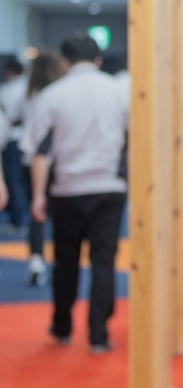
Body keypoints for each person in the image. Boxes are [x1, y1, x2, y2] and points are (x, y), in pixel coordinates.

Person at [21, 35, 128, 355]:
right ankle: (99, 334)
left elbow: (38, 151)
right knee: (104, 261)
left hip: (67, 190)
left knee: (65, 261)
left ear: (64, 62)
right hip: (110, 188)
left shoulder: (52, 95)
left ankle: (62, 325)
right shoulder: (119, 91)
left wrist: (38, 195)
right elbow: (133, 140)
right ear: (98, 60)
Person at [17, 54, 64, 286]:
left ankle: (36, 260)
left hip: (30, 161)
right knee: (60, 215)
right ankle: (61, 261)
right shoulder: (60, 94)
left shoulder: (27, 95)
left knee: (36, 213)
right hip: (57, 161)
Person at [1, 58, 28, 233]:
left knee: (13, 180)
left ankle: (17, 221)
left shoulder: (5, 90)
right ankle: (22, 218)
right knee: (23, 180)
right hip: (27, 138)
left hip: (10, 139)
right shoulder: (28, 87)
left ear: (10, 71)